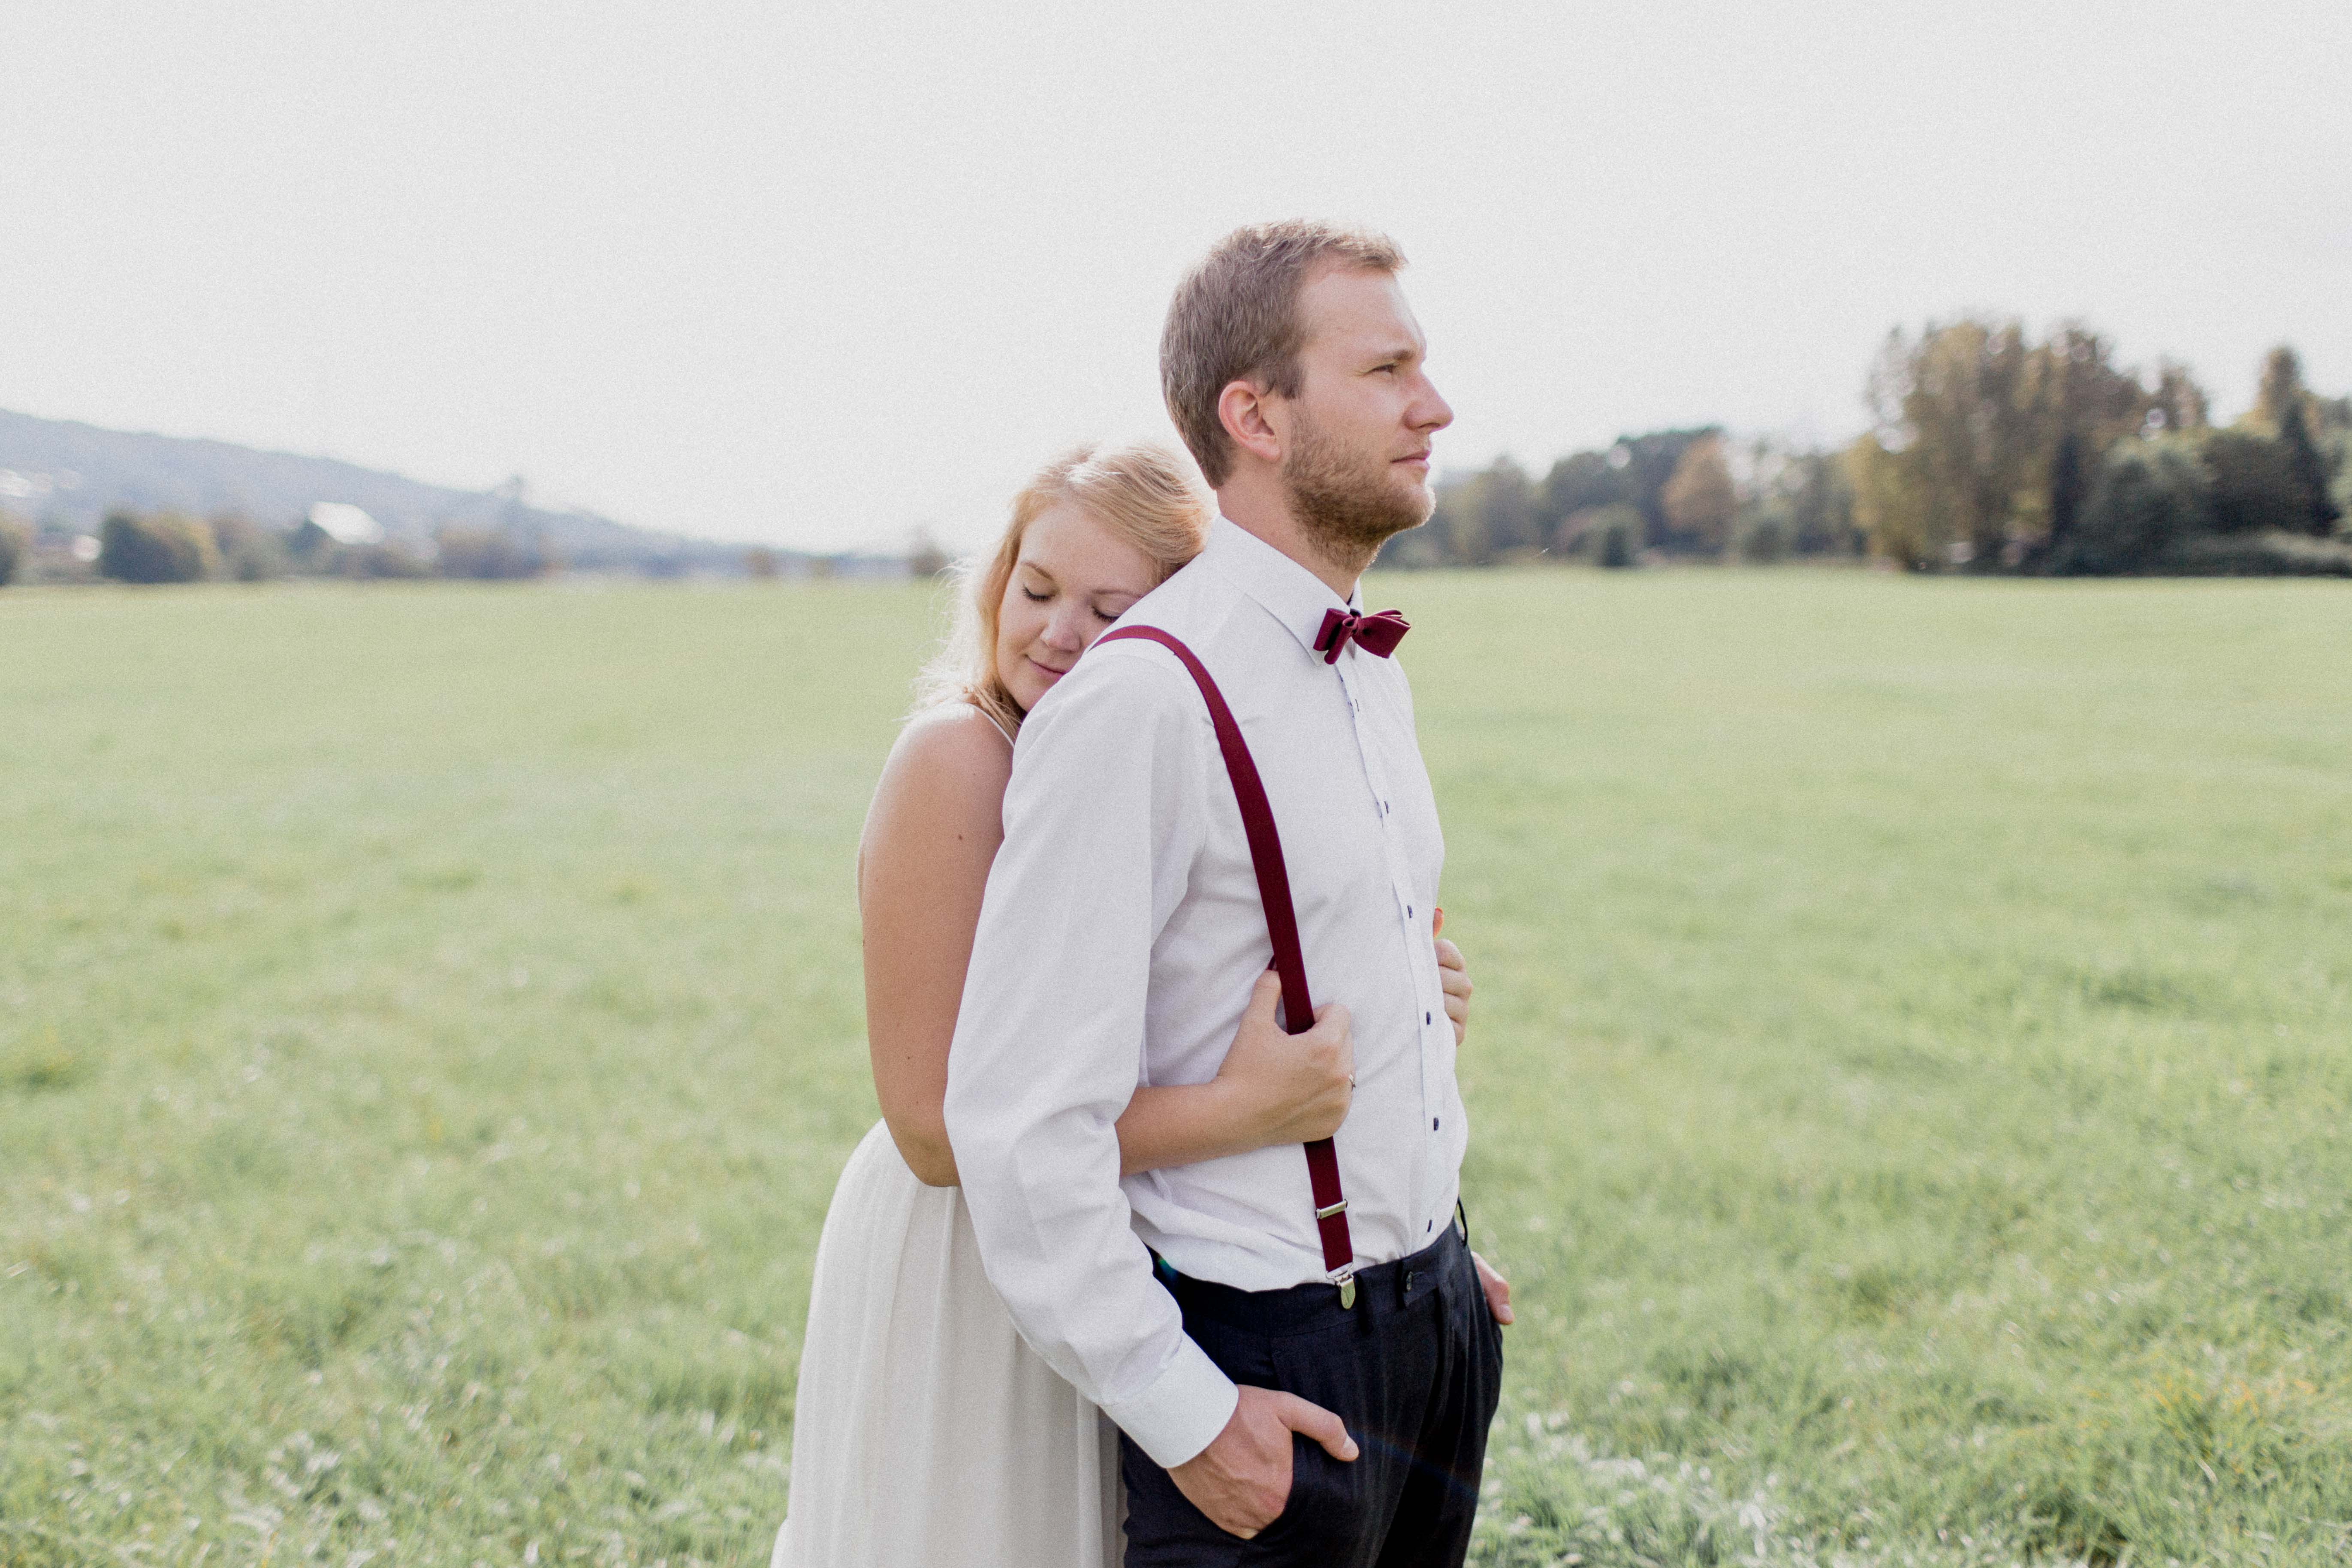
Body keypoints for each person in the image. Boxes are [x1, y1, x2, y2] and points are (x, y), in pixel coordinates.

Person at [771, 440, 1480, 1567]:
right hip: (981, 1245)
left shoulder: (1160, 738)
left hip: (1124, 1228)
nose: (1055, 632)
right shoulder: (961, 757)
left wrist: (1403, 1023)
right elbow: (933, 1129)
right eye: (1034, 587)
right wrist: (1240, 1112)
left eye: (1108, 609)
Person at [944, 221, 1508, 1568]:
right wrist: (1182, 1412)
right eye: (1386, 369)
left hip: (1434, 1323)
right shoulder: (1140, 701)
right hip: (1266, 1357)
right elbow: (1020, 1124)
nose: (1435, 405)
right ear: (1254, 413)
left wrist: (1433, 1253)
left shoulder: (1370, 669)